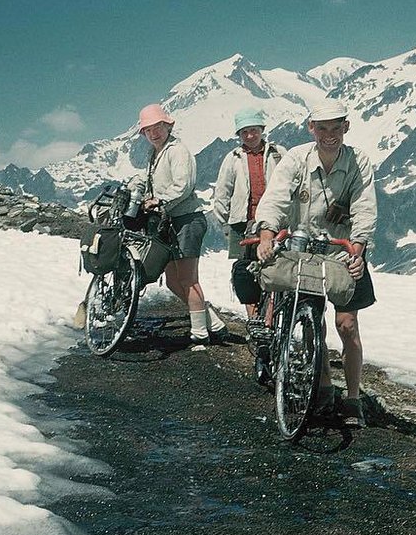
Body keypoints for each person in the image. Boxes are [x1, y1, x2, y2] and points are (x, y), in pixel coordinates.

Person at [254, 99, 377, 428]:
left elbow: (365, 207)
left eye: (336, 128)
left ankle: (352, 398)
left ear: (346, 128)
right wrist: (267, 234)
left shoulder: (358, 162)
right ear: (311, 129)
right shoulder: (296, 159)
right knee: (312, 321)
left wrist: (358, 250)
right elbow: (277, 196)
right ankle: (322, 389)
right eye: (322, 128)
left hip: (343, 249)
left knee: (347, 325)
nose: (329, 135)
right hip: (303, 249)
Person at [134, 103, 227, 345]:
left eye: (158, 127)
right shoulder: (154, 154)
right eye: (148, 130)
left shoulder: (177, 151)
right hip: (168, 221)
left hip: (186, 219)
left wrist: (159, 200)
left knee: (187, 278)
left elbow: (183, 186)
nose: (154, 133)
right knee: (173, 280)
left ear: (167, 126)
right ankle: (213, 322)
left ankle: (200, 334)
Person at [211, 107, 287, 318]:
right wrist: (225, 222)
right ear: (239, 135)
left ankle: (269, 320)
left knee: (274, 269)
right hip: (242, 222)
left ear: (262, 129)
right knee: (246, 272)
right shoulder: (233, 157)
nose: (250, 136)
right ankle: (254, 320)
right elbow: (223, 191)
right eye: (244, 132)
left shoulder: (279, 153)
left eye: (253, 130)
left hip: (277, 221)